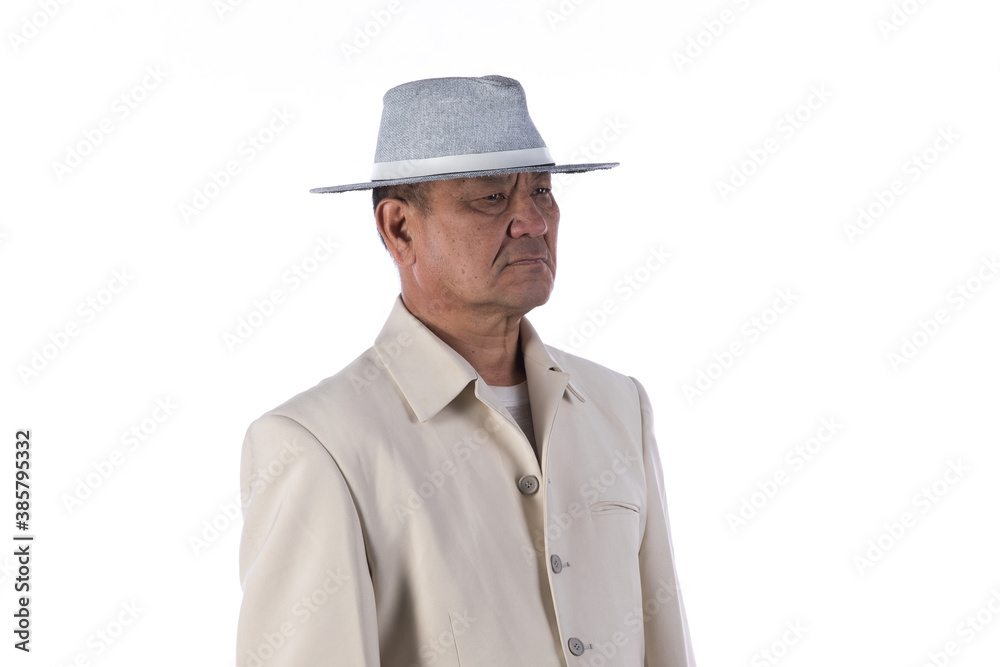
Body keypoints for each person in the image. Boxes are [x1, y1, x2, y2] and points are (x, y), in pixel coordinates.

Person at [236, 75, 695, 666]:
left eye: (542, 193)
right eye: (492, 197)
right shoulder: (318, 445)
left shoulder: (619, 406)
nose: (532, 221)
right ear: (399, 228)